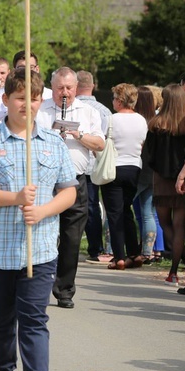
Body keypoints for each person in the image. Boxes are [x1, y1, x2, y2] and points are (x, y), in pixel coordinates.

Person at [0, 68, 77, 371]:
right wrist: (14, 199)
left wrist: (42, 210)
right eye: (19, 98)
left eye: (34, 98)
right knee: (1, 320)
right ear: (5, 100)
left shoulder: (53, 142)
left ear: (42, 101)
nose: (27, 105)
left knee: (34, 319)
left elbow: (69, 192)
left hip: (39, 250)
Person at [35, 67, 104, 309]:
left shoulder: (88, 111)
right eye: (59, 88)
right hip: (46, 181)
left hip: (75, 181)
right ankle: (38, 287)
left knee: (71, 238)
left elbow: (100, 144)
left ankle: (64, 290)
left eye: (69, 88)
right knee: (42, 235)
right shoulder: (41, 109)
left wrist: (79, 134)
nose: (65, 93)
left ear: (76, 88)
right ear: (52, 88)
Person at [144, 84, 185, 286]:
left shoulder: (155, 124)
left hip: (161, 179)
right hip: (183, 179)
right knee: (179, 224)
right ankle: (175, 269)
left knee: (165, 223)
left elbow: (149, 155)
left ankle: (183, 263)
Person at [100, 84, 147, 270]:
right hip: (134, 167)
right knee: (126, 210)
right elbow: (141, 143)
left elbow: (101, 142)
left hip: (114, 167)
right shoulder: (141, 120)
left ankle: (118, 256)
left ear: (119, 101)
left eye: (113, 98)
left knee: (114, 212)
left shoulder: (111, 119)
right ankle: (134, 252)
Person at [75, 70, 112, 261]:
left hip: (75, 163)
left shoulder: (74, 107)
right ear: (93, 86)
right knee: (92, 207)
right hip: (95, 165)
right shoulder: (104, 110)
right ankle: (95, 247)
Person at [132, 86, 158, 262]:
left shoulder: (136, 121)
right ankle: (148, 252)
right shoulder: (156, 122)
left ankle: (111, 248)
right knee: (148, 212)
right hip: (153, 171)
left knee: (121, 207)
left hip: (137, 169)